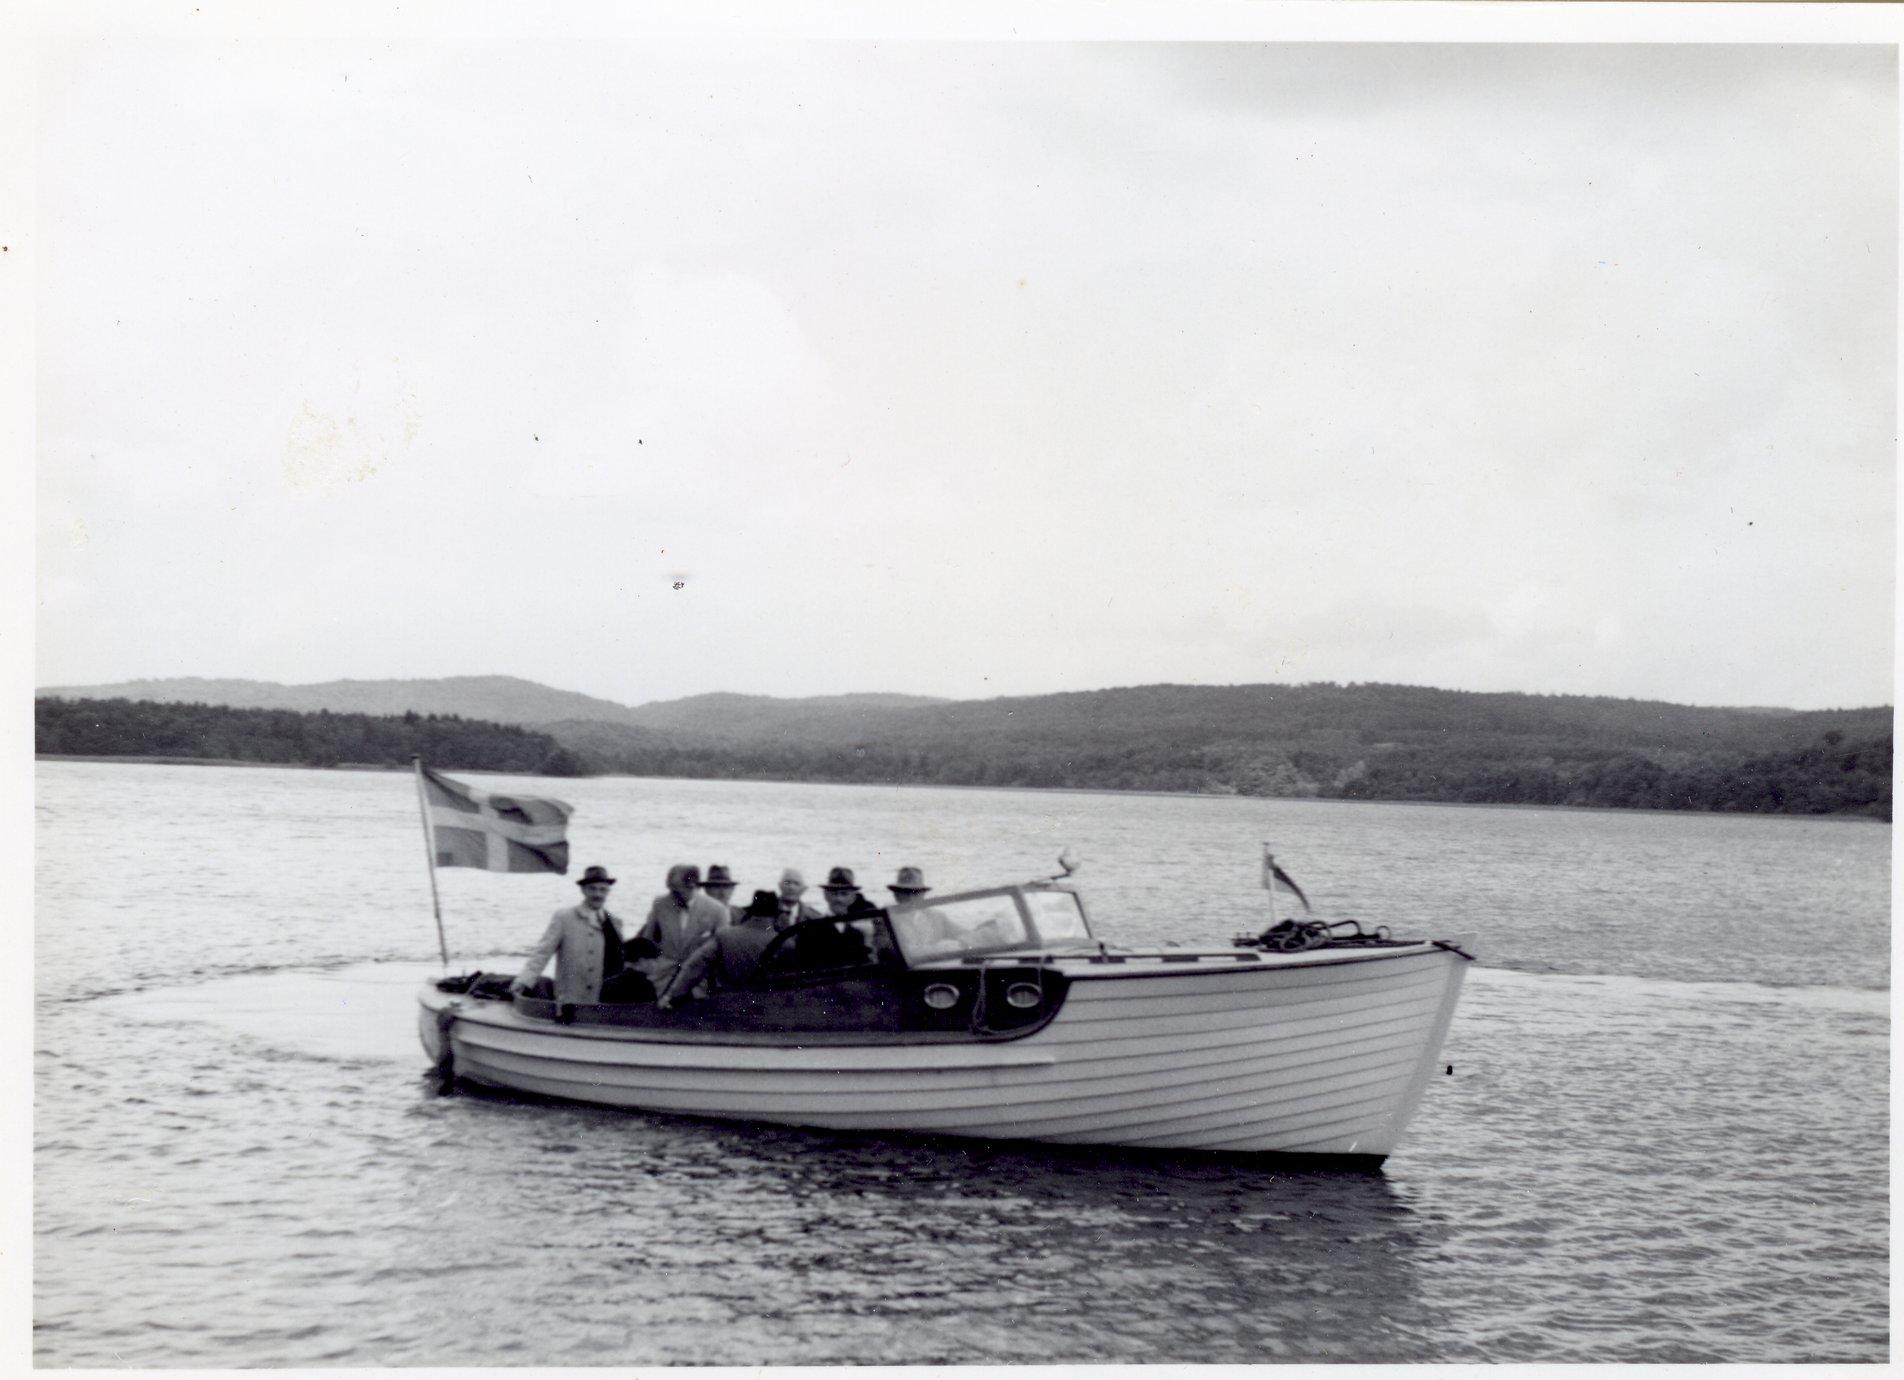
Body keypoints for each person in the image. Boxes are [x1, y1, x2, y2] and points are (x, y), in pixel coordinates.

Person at [510, 865, 652, 1005]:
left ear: (608, 891)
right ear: (583, 890)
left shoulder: (615, 922)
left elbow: (621, 958)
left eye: (603, 889)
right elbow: (542, 952)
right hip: (571, 999)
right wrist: (524, 980)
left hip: (605, 1000)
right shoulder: (564, 918)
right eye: (593, 889)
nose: (598, 894)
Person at [657, 889, 782, 1007]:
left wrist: (670, 996)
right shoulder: (787, 944)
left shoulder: (725, 936)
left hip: (726, 1005)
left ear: (750, 912)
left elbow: (695, 965)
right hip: (771, 1007)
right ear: (776, 915)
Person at [632, 863, 732, 1001]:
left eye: (677, 891)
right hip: (662, 980)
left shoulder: (718, 910)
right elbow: (648, 941)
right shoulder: (660, 904)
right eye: (670, 890)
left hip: (698, 984)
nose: (672, 895)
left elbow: (722, 953)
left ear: (693, 886)